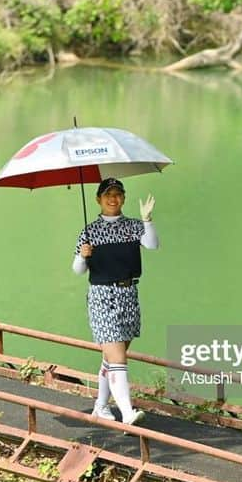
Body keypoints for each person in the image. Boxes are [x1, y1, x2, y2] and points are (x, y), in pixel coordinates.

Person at [73, 178, 158, 425]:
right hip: (102, 297)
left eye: (118, 193)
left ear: (124, 197)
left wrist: (147, 219)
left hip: (128, 295)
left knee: (111, 358)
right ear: (98, 199)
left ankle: (100, 406)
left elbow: (152, 245)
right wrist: (83, 255)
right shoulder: (90, 231)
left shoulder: (133, 226)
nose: (113, 198)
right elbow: (78, 270)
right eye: (108, 194)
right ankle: (127, 412)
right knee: (118, 358)